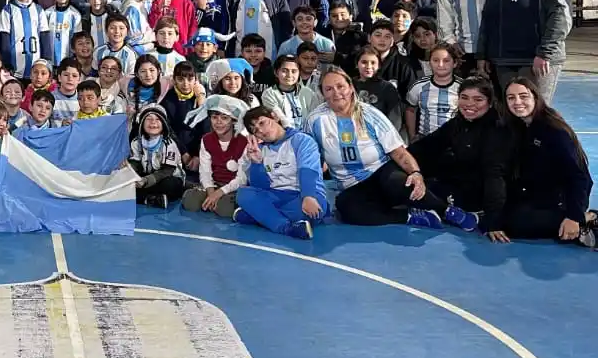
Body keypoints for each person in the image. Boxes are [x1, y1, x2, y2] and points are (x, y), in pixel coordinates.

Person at [304, 68, 477, 230]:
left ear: (350, 88)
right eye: (329, 89)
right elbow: (312, 160)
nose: (336, 93)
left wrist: (416, 173)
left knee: (398, 181)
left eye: (340, 86)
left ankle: (446, 210)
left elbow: (399, 152)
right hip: (352, 187)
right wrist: (309, 192)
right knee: (346, 208)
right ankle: (410, 216)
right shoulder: (315, 121)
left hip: (381, 174)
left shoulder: (370, 114)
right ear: (322, 93)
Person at [493, 76, 595, 246]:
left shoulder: (553, 130)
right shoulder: (518, 126)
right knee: (500, 216)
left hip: (560, 199)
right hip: (536, 194)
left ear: (535, 97)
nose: (517, 102)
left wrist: (574, 216)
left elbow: (580, 177)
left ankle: (586, 221)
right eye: (511, 97)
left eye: (523, 96)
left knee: (515, 225)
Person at [406, 76, 509, 236]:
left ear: (489, 103)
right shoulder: (458, 123)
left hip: (478, 193)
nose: (469, 104)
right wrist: (398, 157)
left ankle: (460, 214)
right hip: (458, 179)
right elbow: (426, 146)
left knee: (408, 189)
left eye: (478, 99)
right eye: (464, 97)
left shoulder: (495, 130)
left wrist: (493, 222)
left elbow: (494, 176)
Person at [235, 105, 327, 240]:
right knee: (243, 194)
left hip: (304, 194)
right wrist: (257, 163)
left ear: (275, 117)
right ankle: (287, 228)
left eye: (262, 123)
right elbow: (260, 187)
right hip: (276, 195)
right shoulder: (260, 149)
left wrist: (308, 196)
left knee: (311, 211)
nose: (261, 130)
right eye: (256, 130)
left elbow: (308, 170)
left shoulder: (301, 140)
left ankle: (259, 216)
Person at [182, 95, 247, 218]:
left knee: (224, 209)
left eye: (224, 118)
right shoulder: (206, 139)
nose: (218, 122)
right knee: (190, 203)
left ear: (233, 120)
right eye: (214, 117)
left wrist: (219, 193)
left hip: (232, 187)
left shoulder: (243, 142)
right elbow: (205, 171)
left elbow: (242, 178)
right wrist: (210, 191)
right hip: (215, 183)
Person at [127, 103, 185, 208]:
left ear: (164, 124)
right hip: (146, 177)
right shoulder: (136, 142)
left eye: (158, 119)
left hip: (167, 177)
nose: (153, 122)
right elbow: (135, 162)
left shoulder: (169, 144)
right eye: (148, 119)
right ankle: (151, 199)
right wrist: (130, 171)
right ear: (141, 123)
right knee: (127, 185)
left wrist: (146, 181)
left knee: (169, 185)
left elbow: (167, 171)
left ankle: (145, 196)